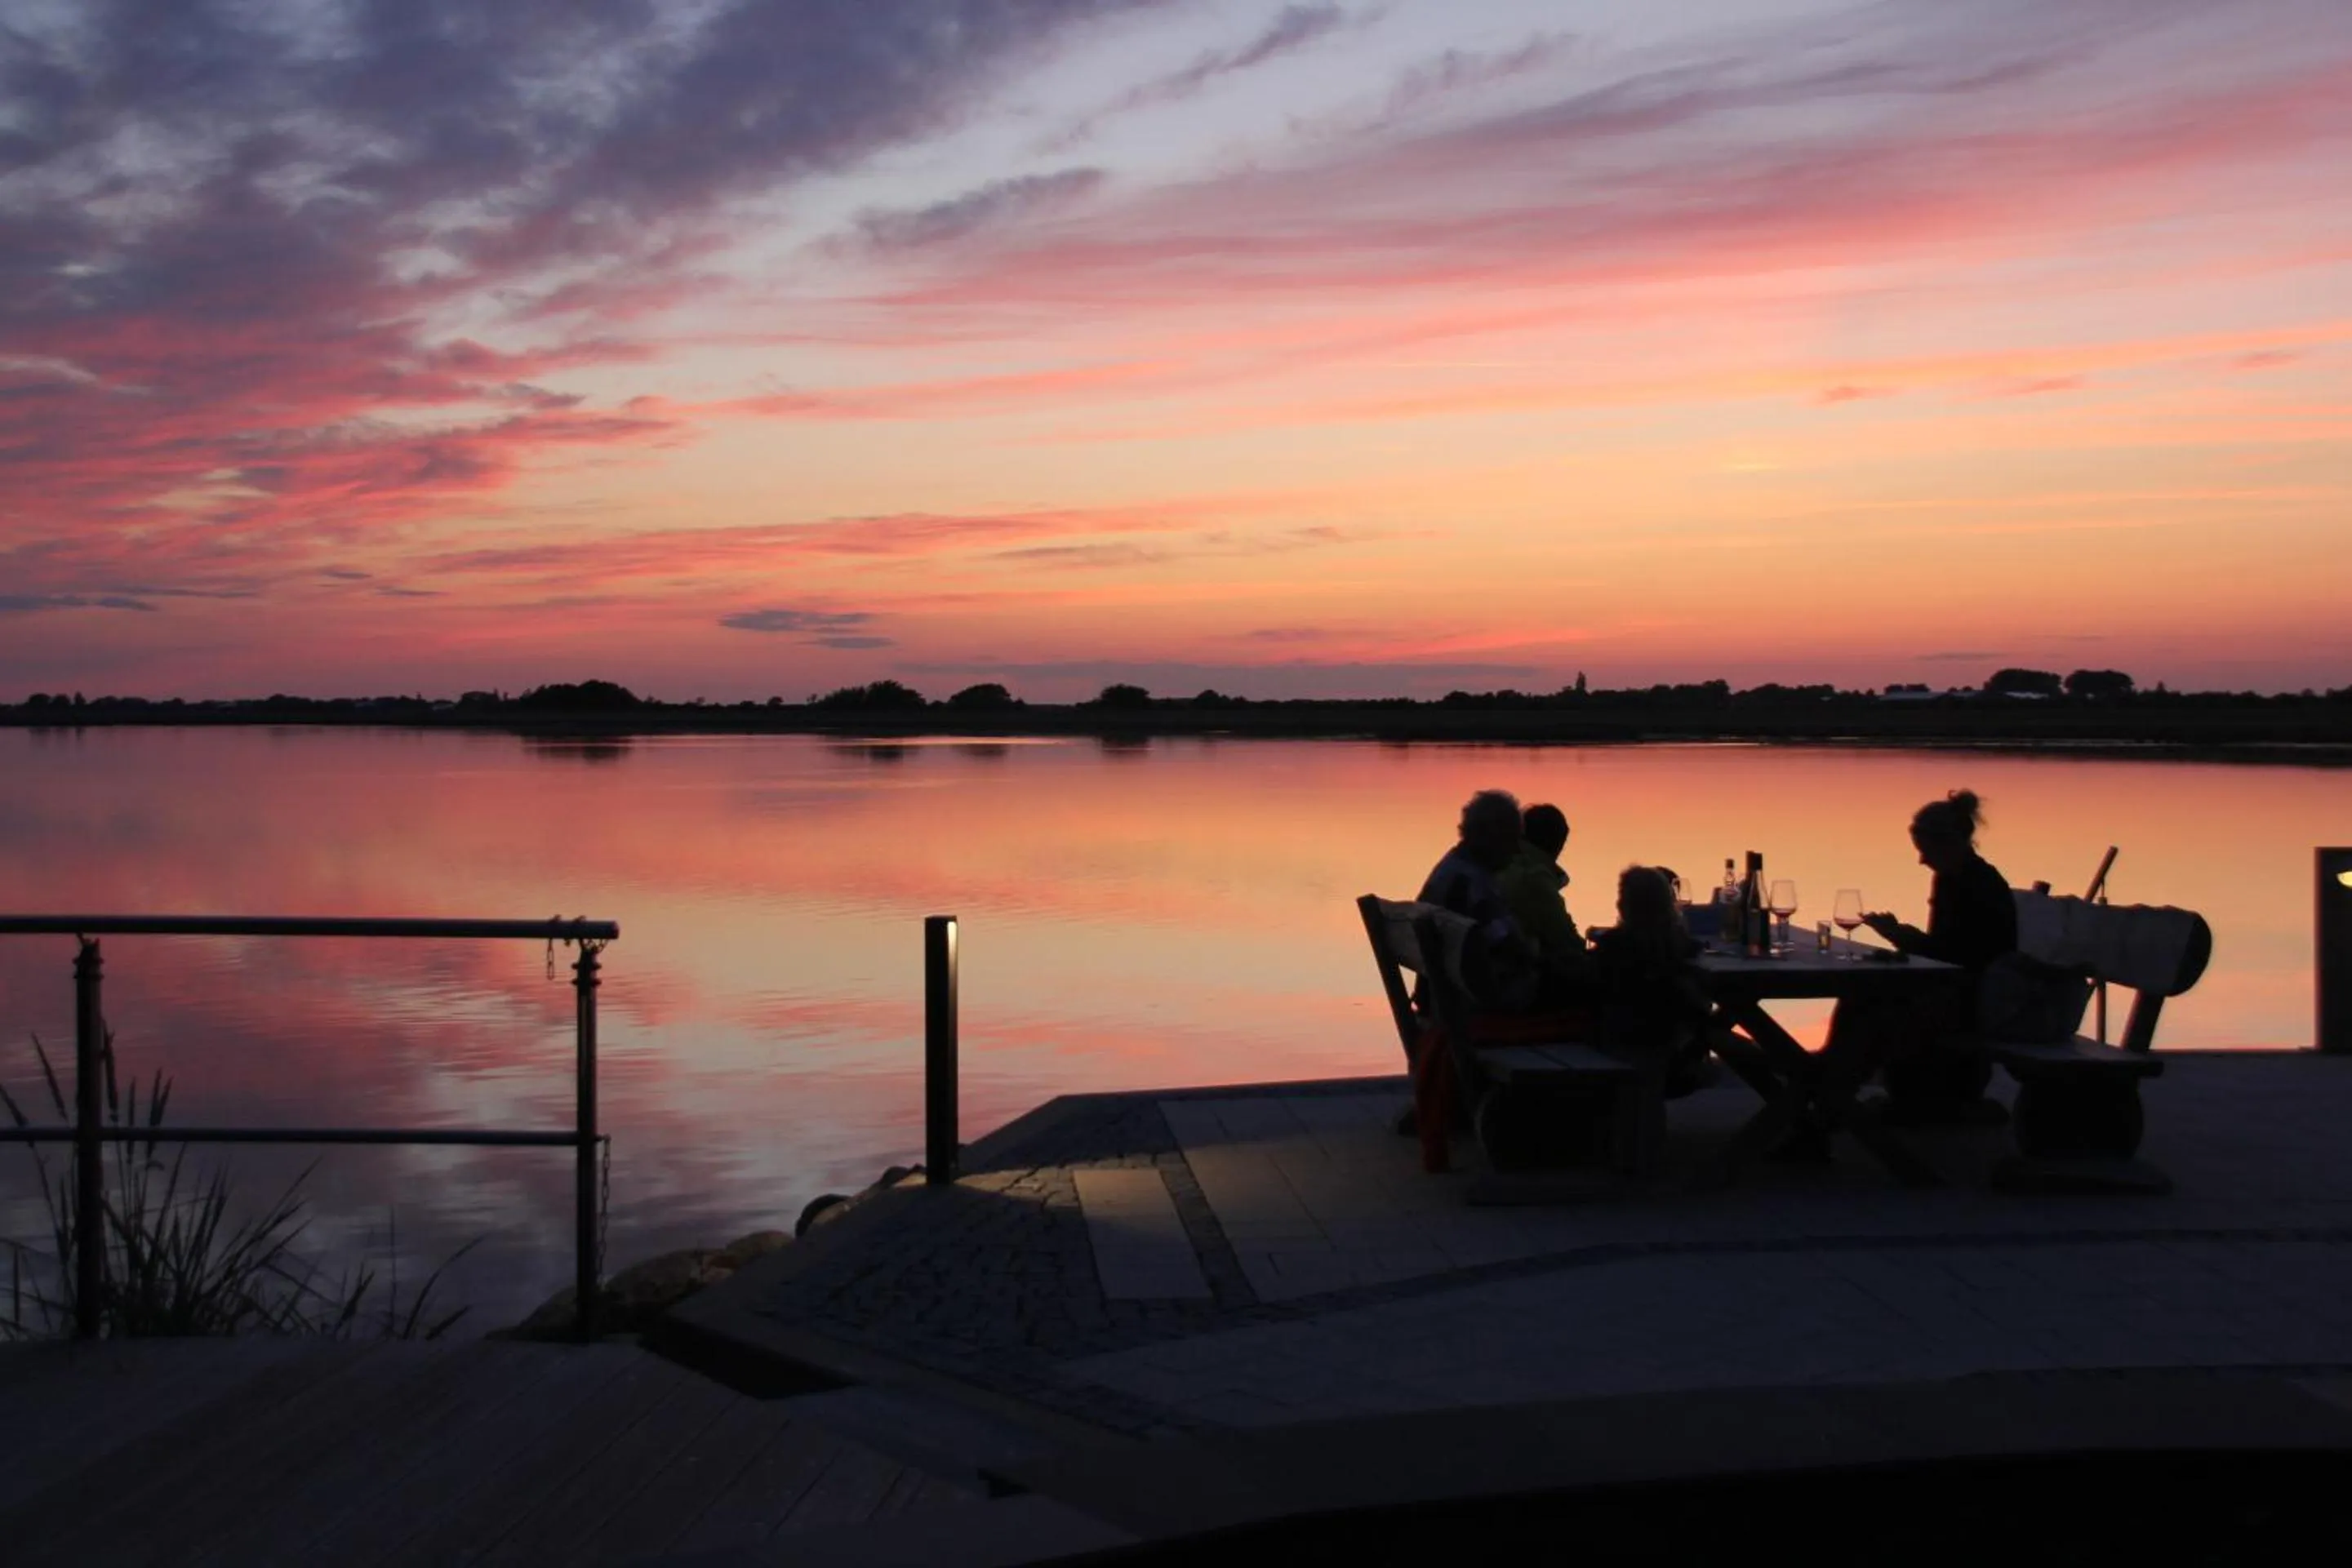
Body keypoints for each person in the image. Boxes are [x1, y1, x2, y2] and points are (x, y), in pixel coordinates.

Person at [1832, 788, 2016, 1122]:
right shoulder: (1951, 879)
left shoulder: (1979, 885)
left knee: (1872, 1010)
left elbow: (1962, 960)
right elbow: (1944, 952)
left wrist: (1905, 939)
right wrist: (1905, 939)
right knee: (1859, 997)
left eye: (1926, 851)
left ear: (1951, 843)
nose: (1922, 860)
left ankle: (1831, 1095)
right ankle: (1832, 1091)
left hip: (1975, 1000)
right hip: (1954, 988)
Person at [1589, 866, 1718, 1097]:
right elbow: (1695, 1008)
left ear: (1624, 906)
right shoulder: (1681, 951)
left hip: (1614, 1042)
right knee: (1724, 1039)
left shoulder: (1611, 947)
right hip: (1670, 1052)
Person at [1416, 788, 1541, 1013]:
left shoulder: (1452, 867)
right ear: (1489, 838)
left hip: (1444, 996)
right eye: (1512, 840)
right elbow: (1514, 950)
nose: (1516, 851)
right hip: (1480, 1004)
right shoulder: (1475, 885)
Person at [1496, 802, 1593, 1007]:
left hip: (1487, 982)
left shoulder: (1504, 864)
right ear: (1558, 844)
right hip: (1514, 991)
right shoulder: (1533, 878)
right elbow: (1568, 942)